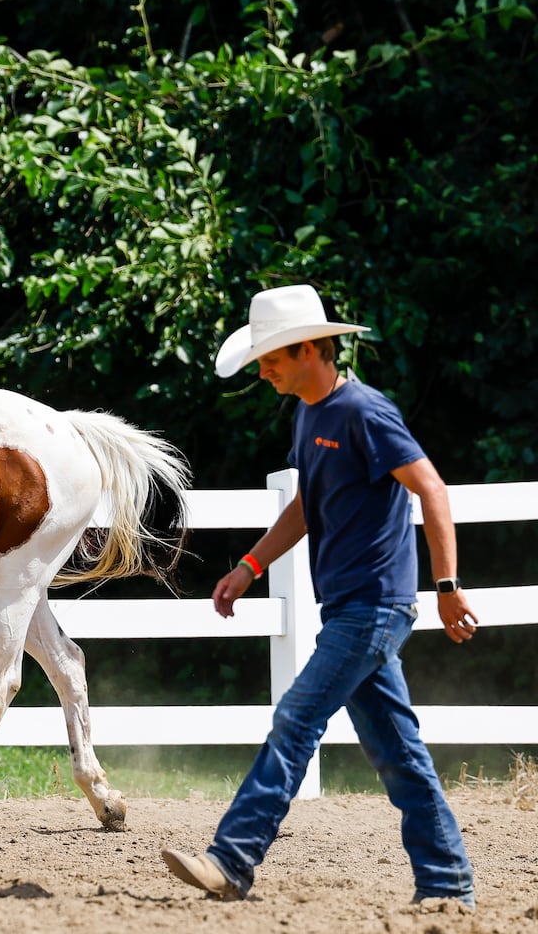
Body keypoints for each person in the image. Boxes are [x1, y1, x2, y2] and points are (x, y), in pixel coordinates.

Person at [160, 284, 478, 910]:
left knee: (296, 719)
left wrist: (445, 586)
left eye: (273, 358)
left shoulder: (366, 412)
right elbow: (309, 503)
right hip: (349, 608)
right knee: (399, 755)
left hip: (375, 606)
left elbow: (432, 489)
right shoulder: (311, 415)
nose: (265, 370)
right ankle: (447, 885)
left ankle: (232, 859)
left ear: (310, 349)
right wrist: (251, 564)